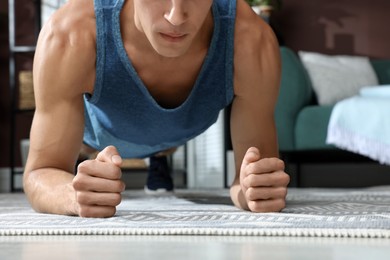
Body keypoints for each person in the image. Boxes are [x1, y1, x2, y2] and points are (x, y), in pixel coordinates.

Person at [23, 0, 290, 218]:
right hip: (96, 135)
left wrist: (253, 191)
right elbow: (40, 171)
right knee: (85, 150)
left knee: (164, 144)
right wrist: (73, 194)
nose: (176, 16)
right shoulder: (70, 33)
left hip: (181, 129)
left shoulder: (251, 41)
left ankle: (159, 155)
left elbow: (250, 183)